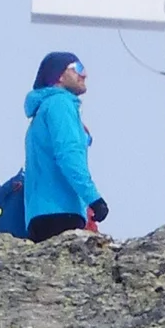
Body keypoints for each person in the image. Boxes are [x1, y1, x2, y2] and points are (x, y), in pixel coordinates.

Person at [23, 52, 109, 241]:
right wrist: (94, 199)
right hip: (61, 212)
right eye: (77, 68)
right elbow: (69, 155)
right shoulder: (60, 104)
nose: (84, 74)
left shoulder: (41, 111)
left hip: (38, 214)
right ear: (59, 76)